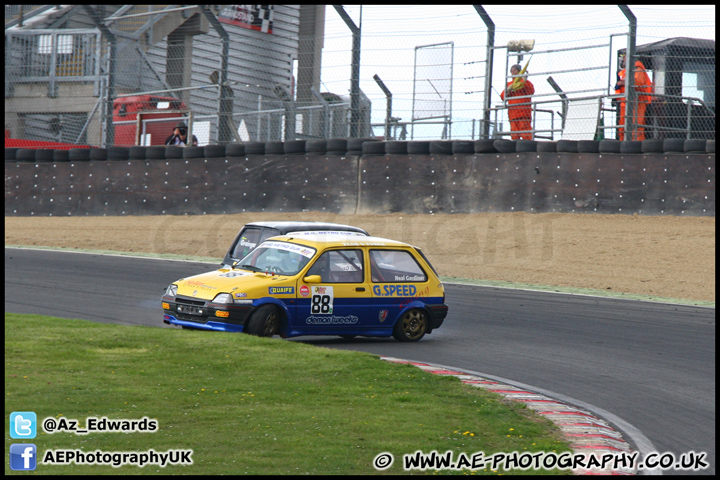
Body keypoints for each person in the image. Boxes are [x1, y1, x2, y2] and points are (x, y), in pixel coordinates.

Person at [614, 54, 653, 141]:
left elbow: (637, 82)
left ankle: (636, 145)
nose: (622, 62)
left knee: (635, 126)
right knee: (623, 127)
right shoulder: (626, 72)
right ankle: (623, 144)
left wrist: (620, 83)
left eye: (624, 60)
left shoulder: (637, 69)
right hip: (625, 103)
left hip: (637, 103)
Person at [500, 64, 535, 140]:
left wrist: (524, 81)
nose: (513, 72)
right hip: (513, 112)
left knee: (524, 129)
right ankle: (515, 147)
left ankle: (528, 144)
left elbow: (531, 91)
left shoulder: (526, 83)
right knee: (514, 131)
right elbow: (503, 97)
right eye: (512, 70)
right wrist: (508, 89)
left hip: (523, 111)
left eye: (515, 70)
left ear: (519, 72)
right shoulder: (509, 84)